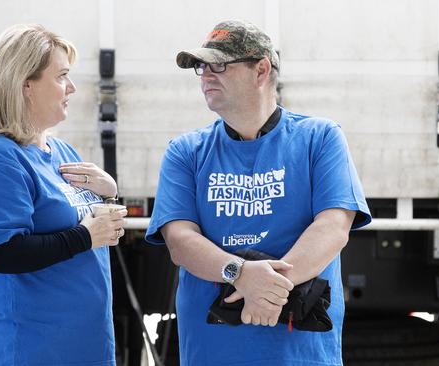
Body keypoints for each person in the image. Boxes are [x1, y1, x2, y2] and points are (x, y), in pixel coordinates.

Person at [145, 20, 371, 365]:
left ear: (261, 69)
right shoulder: (185, 150)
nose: (205, 75)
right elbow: (180, 241)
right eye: (201, 67)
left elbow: (333, 228)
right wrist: (241, 275)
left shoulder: (320, 137)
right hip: (213, 352)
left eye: (218, 65)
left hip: (301, 354)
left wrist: (265, 291)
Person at [0, 24, 126, 365]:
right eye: (61, 76)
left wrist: (109, 195)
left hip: (86, 348)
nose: (72, 87)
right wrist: (83, 237)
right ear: (26, 85)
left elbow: (86, 228)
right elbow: (3, 252)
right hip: (34, 349)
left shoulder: (61, 150)